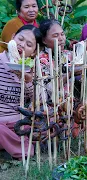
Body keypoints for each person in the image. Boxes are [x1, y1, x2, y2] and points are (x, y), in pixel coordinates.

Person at [0, 25, 42, 160]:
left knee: (51, 120)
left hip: (19, 122)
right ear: (12, 38)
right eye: (20, 39)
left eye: (29, 44)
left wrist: (28, 80)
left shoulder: (35, 69)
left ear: (34, 52)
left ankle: (11, 144)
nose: (22, 45)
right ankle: (23, 148)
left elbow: (40, 101)